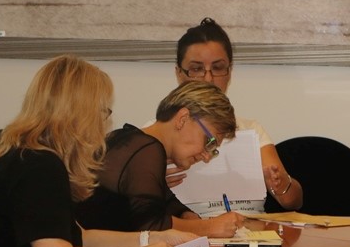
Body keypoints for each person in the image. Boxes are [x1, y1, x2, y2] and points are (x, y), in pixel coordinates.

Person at [0, 55, 196, 247]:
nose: (104, 123)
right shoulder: (38, 166)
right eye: (103, 111)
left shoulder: (29, 156)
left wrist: (155, 238)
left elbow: (82, 237)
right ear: (82, 112)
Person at [75, 81, 243, 237]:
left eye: (213, 149)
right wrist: (209, 227)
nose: (206, 157)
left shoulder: (129, 139)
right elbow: (151, 227)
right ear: (182, 119)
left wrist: (188, 216)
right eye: (209, 142)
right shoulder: (146, 150)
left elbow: (164, 204)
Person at [170, 18, 303, 211]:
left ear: (229, 71)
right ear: (179, 73)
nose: (208, 79)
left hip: (249, 226)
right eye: (197, 69)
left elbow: (293, 202)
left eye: (217, 68)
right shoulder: (158, 134)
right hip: (188, 228)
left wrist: (280, 183)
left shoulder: (250, 130)